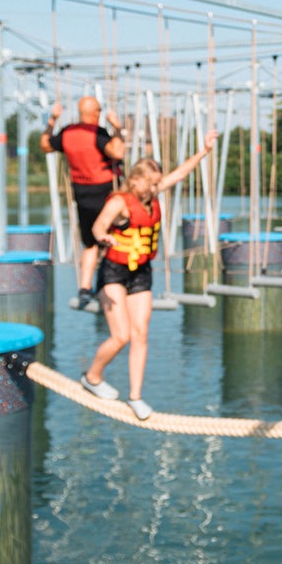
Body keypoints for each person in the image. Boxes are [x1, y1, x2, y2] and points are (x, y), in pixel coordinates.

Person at [80, 139, 212, 420]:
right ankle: (92, 377)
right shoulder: (120, 201)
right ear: (136, 180)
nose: (156, 189)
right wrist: (102, 235)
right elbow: (98, 224)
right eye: (151, 184)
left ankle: (136, 396)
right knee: (121, 336)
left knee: (140, 334)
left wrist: (204, 151)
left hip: (141, 272)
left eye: (157, 184)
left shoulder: (149, 196)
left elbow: (180, 174)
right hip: (114, 273)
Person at [41, 96, 126, 307]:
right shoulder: (97, 133)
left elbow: (45, 145)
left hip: (82, 195)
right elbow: (117, 151)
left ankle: (85, 287)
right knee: (111, 238)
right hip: (105, 195)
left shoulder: (68, 132)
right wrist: (117, 129)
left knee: (90, 244)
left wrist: (52, 120)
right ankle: (109, 283)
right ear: (96, 113)